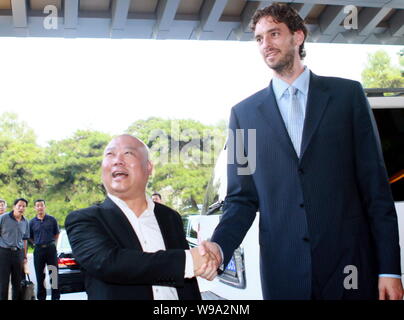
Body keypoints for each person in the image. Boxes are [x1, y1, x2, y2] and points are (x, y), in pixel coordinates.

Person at [200, 3, 403, 300]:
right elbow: (240, 199)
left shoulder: (348, 97)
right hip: (284, 274)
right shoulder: (243, 116)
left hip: (350, 267)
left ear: (298, 37)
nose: (265, 44)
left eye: (274, 34)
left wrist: (390, 269)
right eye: (259, 38)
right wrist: (219, 247)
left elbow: (376, 189)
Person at [65, 134, 218, 300]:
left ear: (148, 167)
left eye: (128, 153)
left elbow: (188, 284)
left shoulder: (170, 217)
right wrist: (188, 262)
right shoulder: (83, 220)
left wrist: (206, 262)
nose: (117, 160)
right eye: (110, 154)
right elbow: (109, 263)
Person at [29, 199, 60, 300]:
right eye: (37, 206)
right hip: (38, 250)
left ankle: (55, 297)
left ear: (45, 207)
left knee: (54, 275)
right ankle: (41, 297)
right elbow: (30, 236)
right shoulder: (32, 222)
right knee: (40, 275)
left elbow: (57, 234)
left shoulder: (52, 219)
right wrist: (36, 243)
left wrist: (52, 243)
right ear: (35, 208)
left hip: (51, 249)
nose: (40, 207)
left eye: (41, 205)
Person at [0, 198, 30, 300]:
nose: (21, 208)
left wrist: (25, 256)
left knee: (17, 283)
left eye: (23, 206)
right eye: (19, 206)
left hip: (18, 254)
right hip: (4, 253)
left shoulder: (25, 222)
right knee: (3, 283)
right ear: (14, 207)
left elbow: (25, 240)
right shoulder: (3, 218)